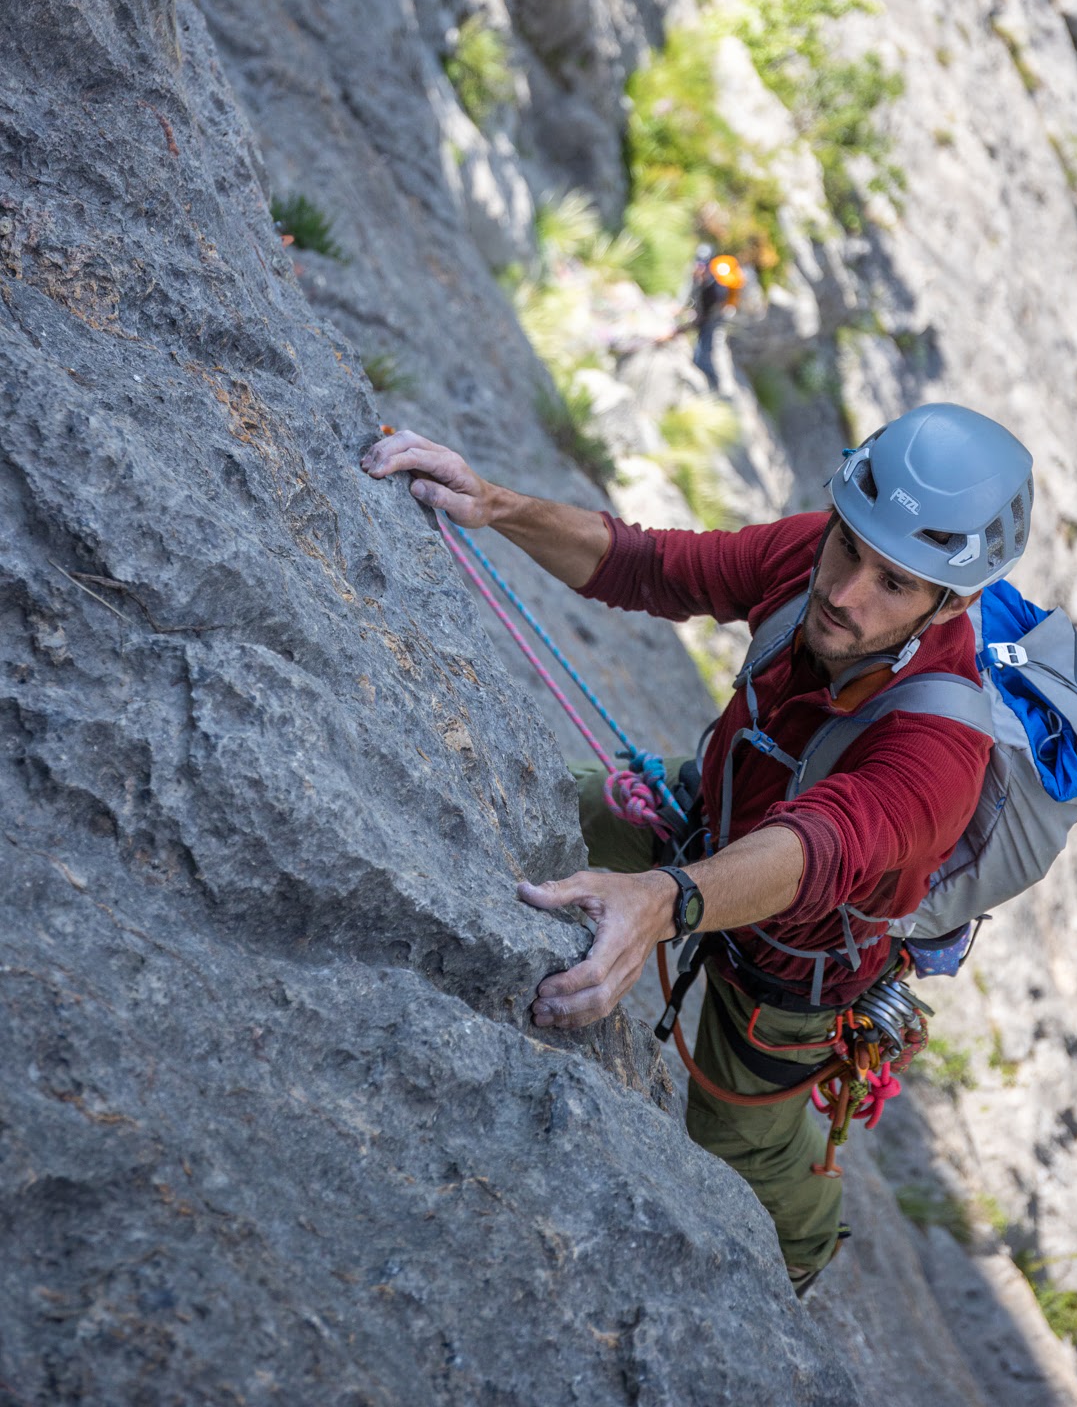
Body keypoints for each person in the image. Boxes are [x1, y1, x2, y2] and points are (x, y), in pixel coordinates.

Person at [360, 403, 1034, 1295]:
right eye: (849, 548)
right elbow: (652, 566)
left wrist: (661, 900)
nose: (844, 591)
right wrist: (499, 505)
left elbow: (817, 848)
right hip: (708, 815)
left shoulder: (940, 749)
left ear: (953, 602)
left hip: (794, 966)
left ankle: (801, 1248)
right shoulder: (812, 555)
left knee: (736, 1141)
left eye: (894, 584)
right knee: (530, 811)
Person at [680, 247, 745, 392]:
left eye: (702, 265)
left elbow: (709, 312)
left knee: (704, 347)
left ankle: (713, 382)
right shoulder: (703, 278)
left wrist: (695, 320)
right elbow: (694, 295)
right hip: (710, 312)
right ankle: (709, 378)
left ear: (708, 265)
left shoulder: (718, 289)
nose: (699, 268)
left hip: (717, 314)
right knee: (703, 344)